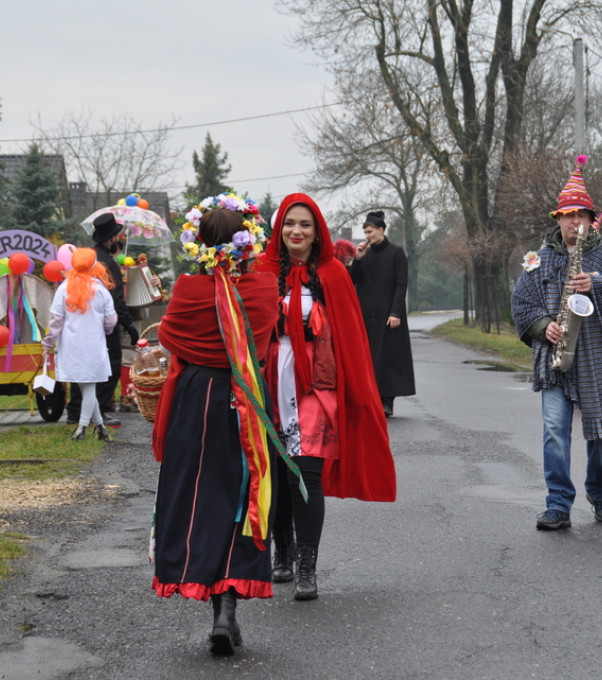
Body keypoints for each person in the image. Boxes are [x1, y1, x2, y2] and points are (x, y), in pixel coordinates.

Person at [149, 192, 279, 656]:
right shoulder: (263, 290)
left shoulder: (187, 290)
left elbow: (168, 336)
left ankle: (213, 604)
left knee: (196, 498)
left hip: (195, 403)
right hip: (243, 401)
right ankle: (228, 607)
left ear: (200, 243)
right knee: (240, 500)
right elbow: (262, 345)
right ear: (248, 243)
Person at [257, 193, 396, 601]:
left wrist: (359, 392)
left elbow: (351, 338)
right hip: (270, 383)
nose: (296, 231)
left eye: (304, 224)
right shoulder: (262, 272)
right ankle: (280, 551)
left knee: (305, 473)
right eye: (289, 224)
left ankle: (306, 566)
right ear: (278, 229)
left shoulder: (333, 274)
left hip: (317, 386)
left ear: (317, 231)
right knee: (277, 473)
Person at [511, 155, 602, 530]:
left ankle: (599, 490)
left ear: (592, 220)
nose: (575, 222)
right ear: (557, 219)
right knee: (554, 432)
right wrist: (544, 326)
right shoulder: (537, 261)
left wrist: (598, 282)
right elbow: (521, 303)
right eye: (568, 215)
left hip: (596, 359)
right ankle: (558, 504)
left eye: (582, 215)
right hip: (554, 360)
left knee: (601, 431)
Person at [65, 213, 140, 427]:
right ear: (112, 238)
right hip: (103, 323)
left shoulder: (87, 258)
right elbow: (116, 300)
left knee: (82, 366)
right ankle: (102, 408)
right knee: (110, 365)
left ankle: (75, 411)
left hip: (79, 318)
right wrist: (130, 326)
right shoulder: (108, 263)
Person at [42, 248, 116, 441]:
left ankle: (87, 428)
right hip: (94, 344)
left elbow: (56, 321)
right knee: (88, 386)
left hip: (71, 346)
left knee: (86, 386)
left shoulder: (63, 288)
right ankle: (92, 427)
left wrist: (47, 343)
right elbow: (111, 321)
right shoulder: (100, 290)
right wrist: (105, 330)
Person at [350, 211, 416, 418]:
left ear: (381, 230)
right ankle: (370, 398)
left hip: (388, 314)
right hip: (366, 314)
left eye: (370, 231)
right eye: (365, 232)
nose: (367, 236)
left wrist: (396, 311)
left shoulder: (396, 253)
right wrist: (358, 260)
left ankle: (387, 401)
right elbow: (353, 279)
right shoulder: (365, 254)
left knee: (388, 357)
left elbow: (401, 284)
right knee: (368, 358)